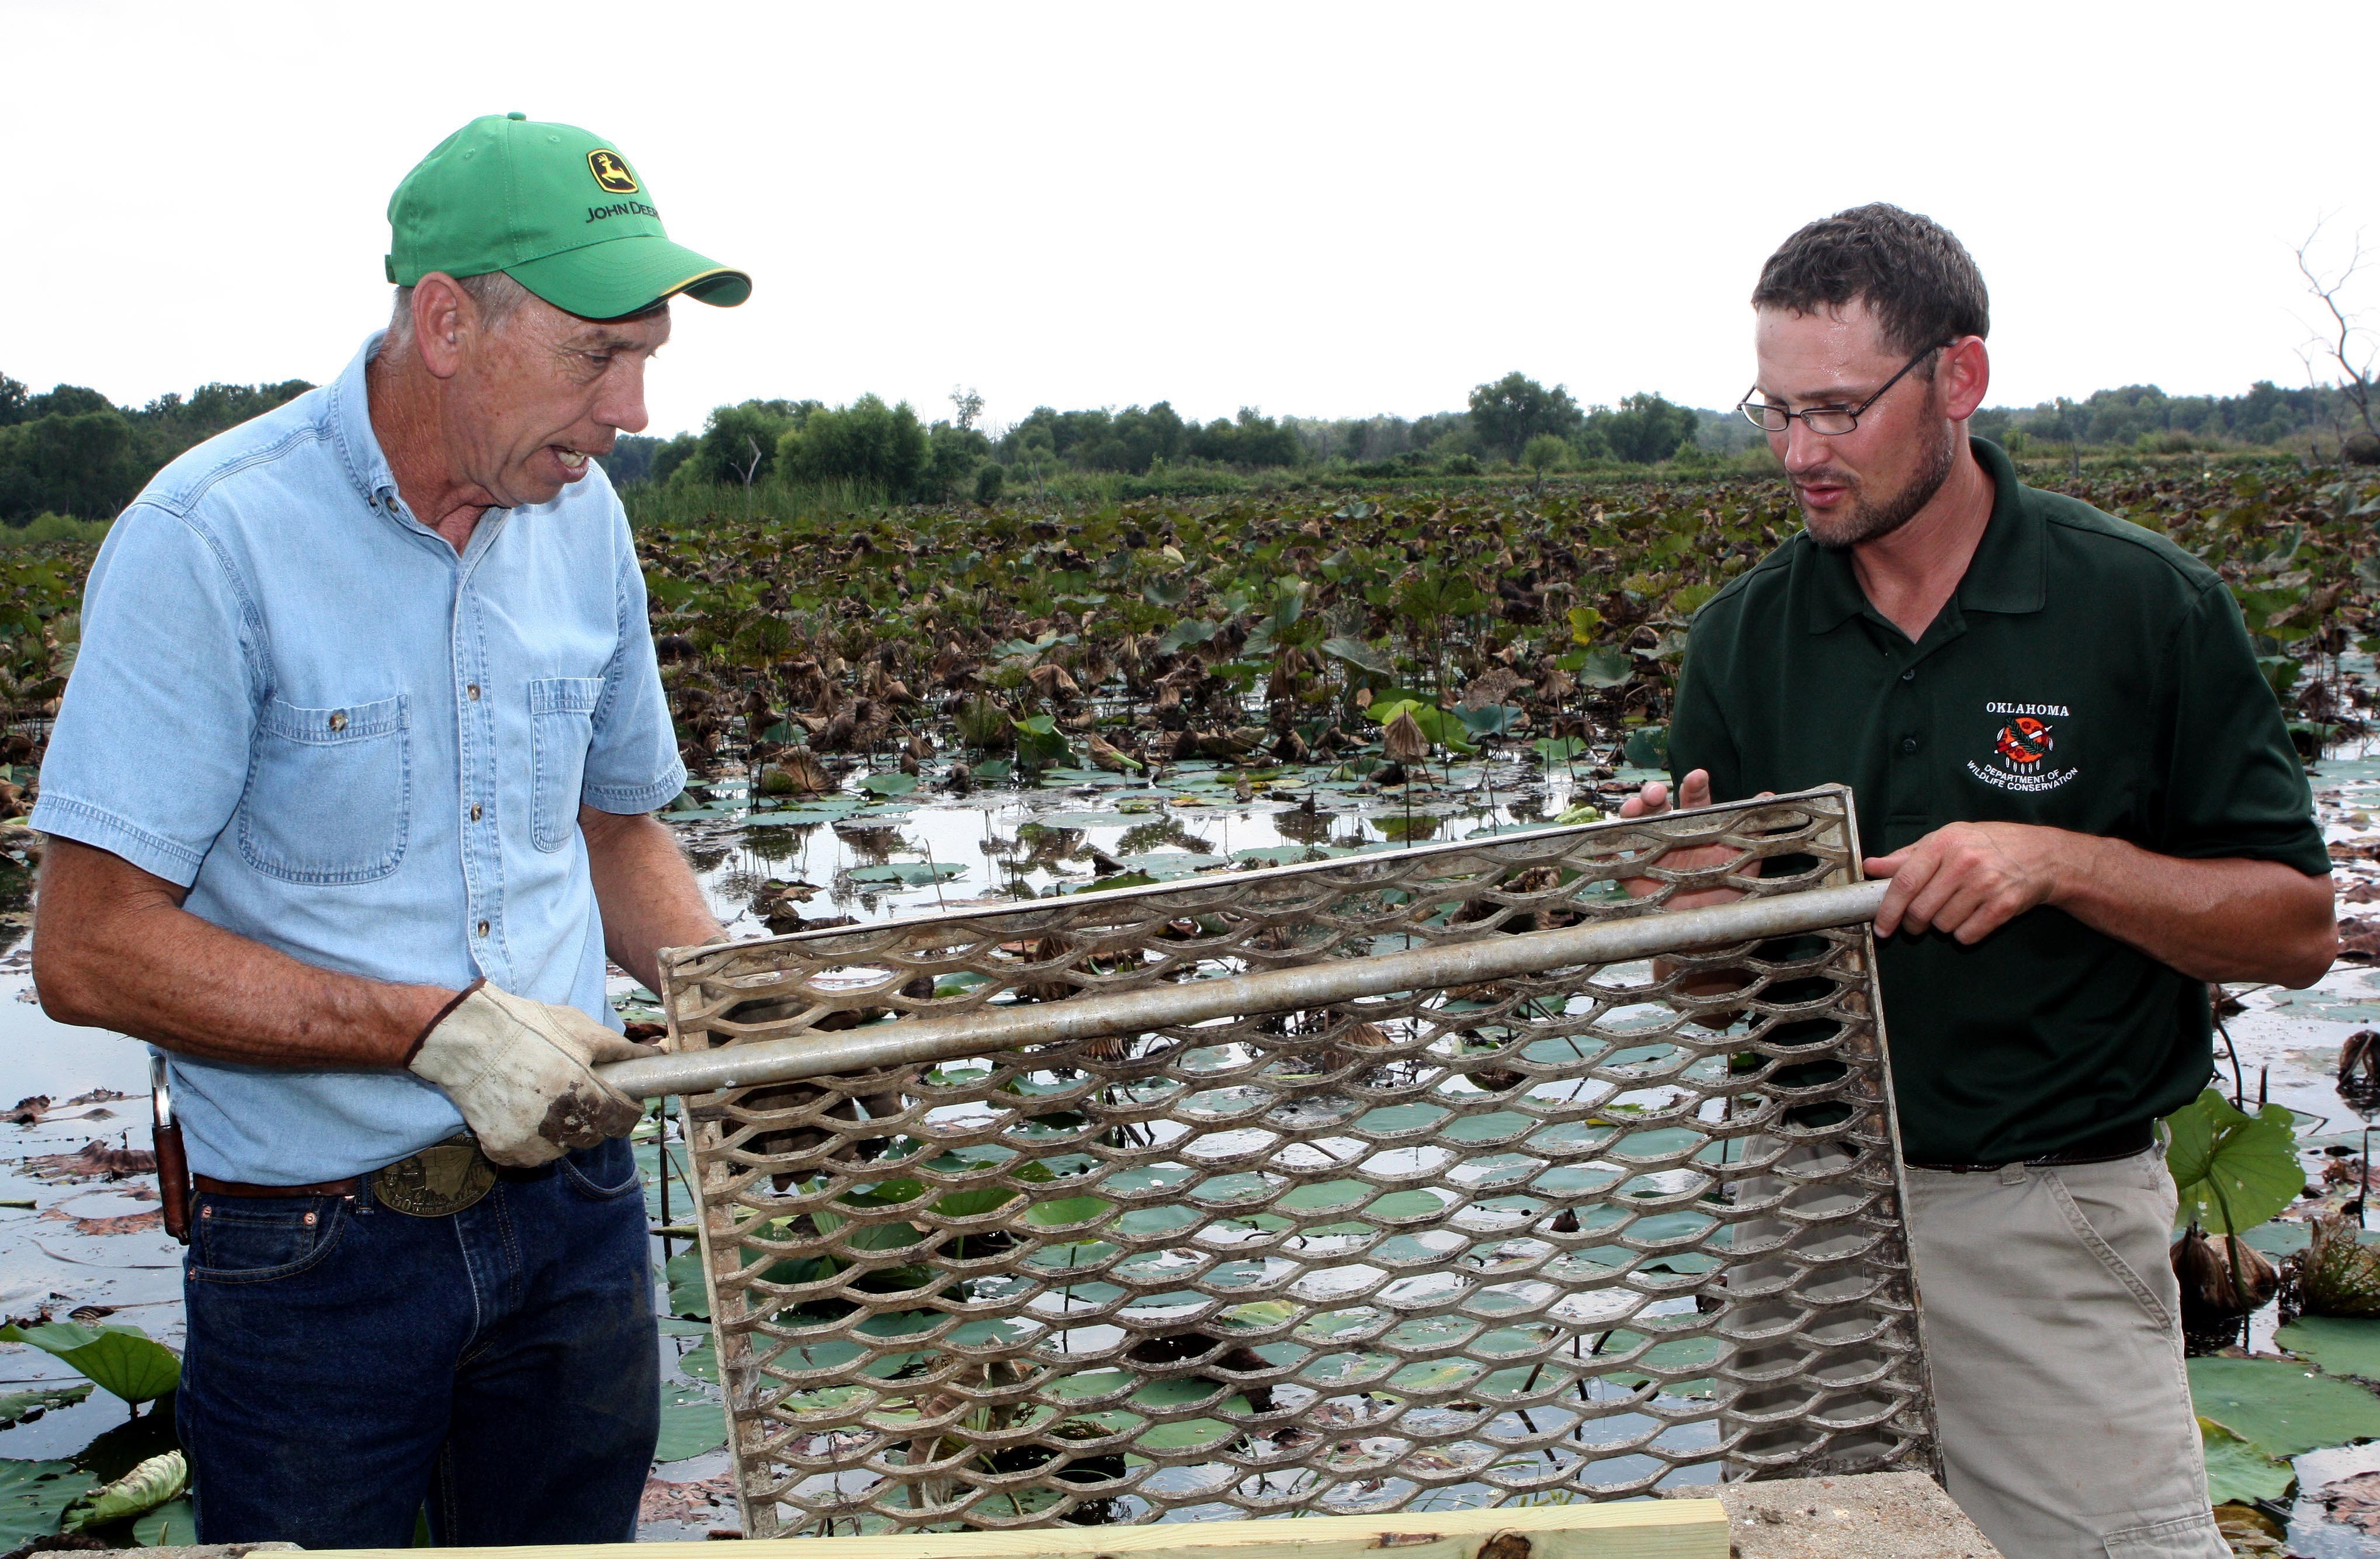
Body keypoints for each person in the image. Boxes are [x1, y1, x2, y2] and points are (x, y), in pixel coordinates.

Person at [27, 114, 749, 1547]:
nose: (635, 410)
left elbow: (618, 838)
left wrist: (755, 1021)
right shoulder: (213, 539)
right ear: (446, 322)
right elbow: (88, 952)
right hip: (317, 1248)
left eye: (649, 356)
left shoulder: (585, 521)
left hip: (582, 1206)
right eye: (597, 355)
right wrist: (433, 1029)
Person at [1623, 203, 2334, 1557]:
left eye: (1837, 410)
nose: (1797, 455)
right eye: (1772, 411)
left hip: (2045, 1210)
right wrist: (1699, 922)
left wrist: (2059, 863)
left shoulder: (2139, 607)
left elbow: (2297, 929)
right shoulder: (1742, 642)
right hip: (1805, 1209)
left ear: (1959, 378)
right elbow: (1712, 991)